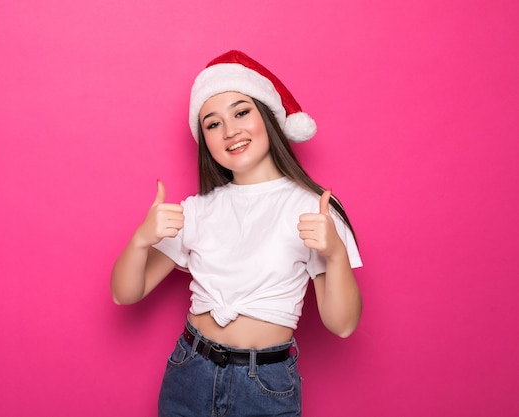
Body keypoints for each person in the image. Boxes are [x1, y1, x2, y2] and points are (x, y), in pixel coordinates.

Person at [111, 50, 363, 417]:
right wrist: (140, 240)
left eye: (241, 112)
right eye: (213, 124)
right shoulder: (196, 209)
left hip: (264, 384)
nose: (230, 131)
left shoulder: (316, 209)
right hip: (189, 372)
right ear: (205, 141)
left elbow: (342, 326)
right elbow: (124, 294)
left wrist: (336, 255)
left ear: (268, 117)